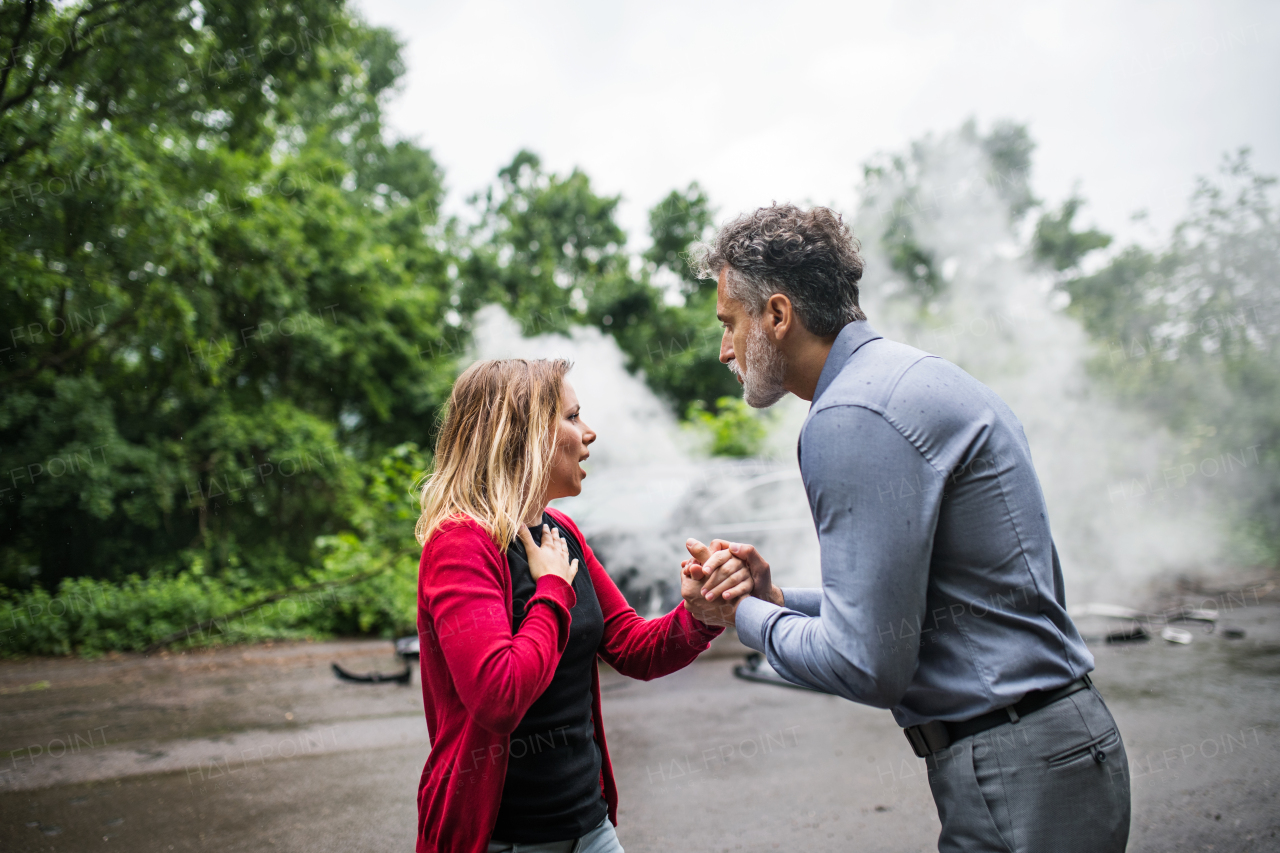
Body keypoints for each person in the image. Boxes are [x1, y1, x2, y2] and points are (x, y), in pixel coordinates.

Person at [679, 205, 1132, 853]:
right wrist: (779, 600)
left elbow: (866, 662)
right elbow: (926, 605)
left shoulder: (850, 414)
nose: (724, 348)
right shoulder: (914, 376)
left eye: (729, 322)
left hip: (1017, 764)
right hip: (1046, 749)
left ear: (777, 315)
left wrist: (740, 613)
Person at [413, 358, 728, 853]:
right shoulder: (460, 544)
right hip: (503, 839)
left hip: (590, 826)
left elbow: (632, 647)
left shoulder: (561, 532)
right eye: (573, 416)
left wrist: (700, 615)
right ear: (522, 435)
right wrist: (553, 591)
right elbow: (499, 697)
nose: (590, 432)